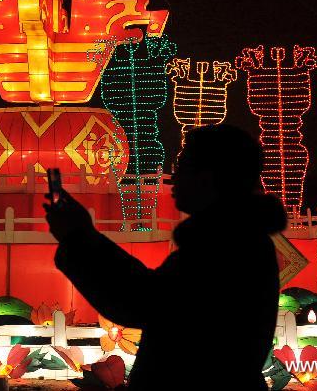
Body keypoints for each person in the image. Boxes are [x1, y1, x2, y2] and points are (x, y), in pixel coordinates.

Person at [45, 124, 287, 389]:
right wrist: (85, 235)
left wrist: (78, 238)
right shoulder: (237, 237)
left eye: (183, 164)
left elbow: (142, 301)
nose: (175, 174)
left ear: (208, 177)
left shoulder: (225, 246)